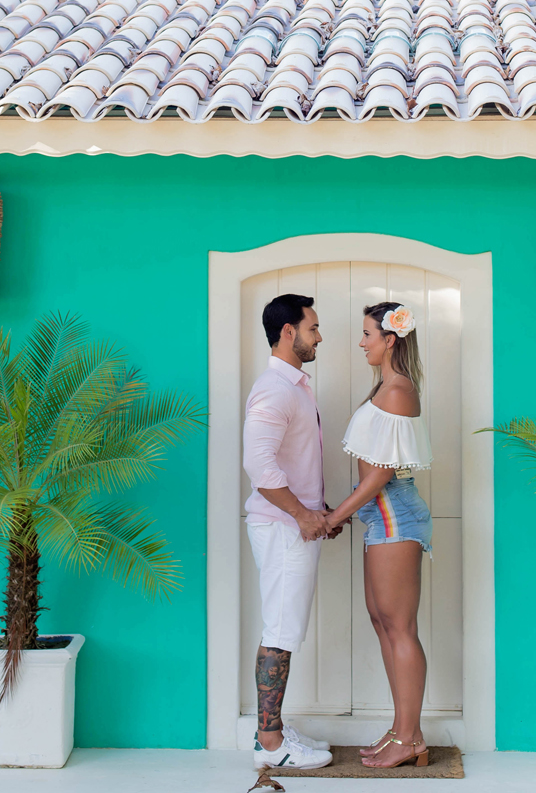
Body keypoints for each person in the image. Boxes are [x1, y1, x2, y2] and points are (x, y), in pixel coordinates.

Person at [323, 302, 433, 770]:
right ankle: (402, 731)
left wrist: (335, 517)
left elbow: (380, 475)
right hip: (381, 520)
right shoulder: (385, 388)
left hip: (395, 518)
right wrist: (348, 514)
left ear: (391, 339)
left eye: (368, 333)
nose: (362, 341)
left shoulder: (399, 390)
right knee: (383, 622)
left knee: (400, 627)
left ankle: (409, 739)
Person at [243, 293, 338, 771]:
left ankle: (273, 730)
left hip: (293, 525)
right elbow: (258, 466)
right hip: (283, 528)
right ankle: (270, 743)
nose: (319, 336)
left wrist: (318, 509)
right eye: (313, 327)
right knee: (280, 631)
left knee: (285, 627)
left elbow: (293, 462)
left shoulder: (294, 386)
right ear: (288, 332)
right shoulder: (274, 389)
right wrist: (302, 516)